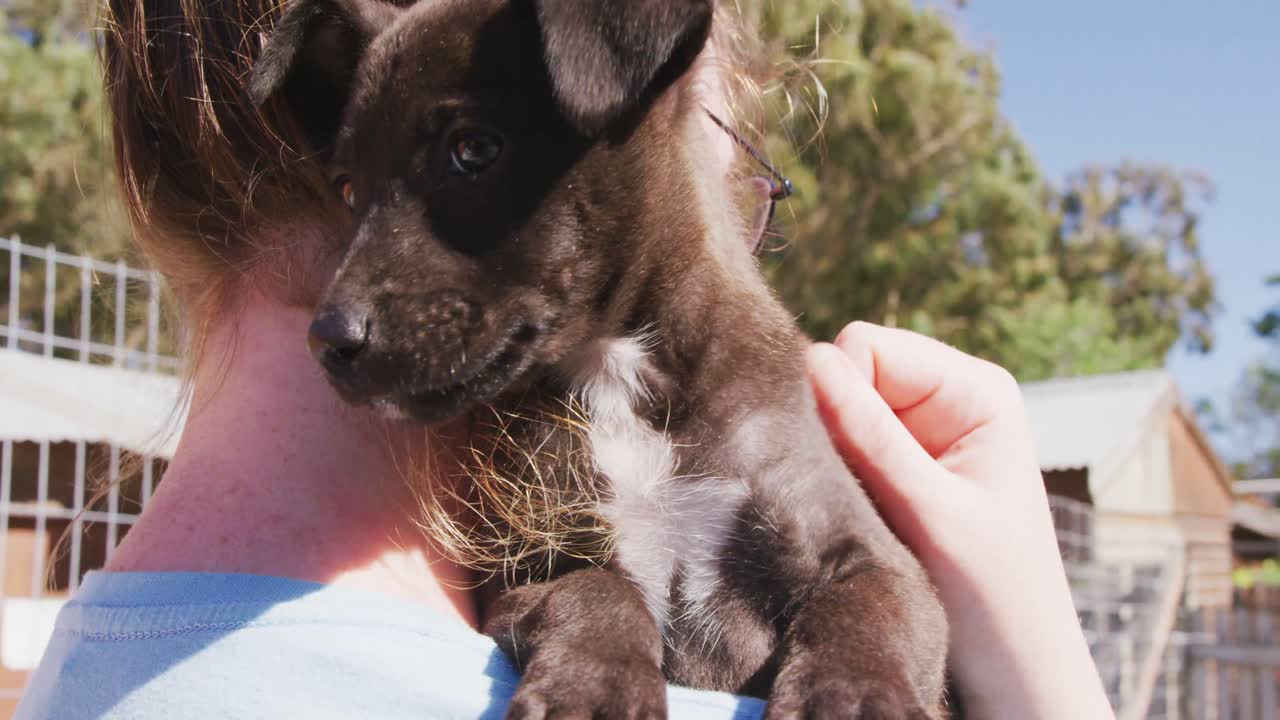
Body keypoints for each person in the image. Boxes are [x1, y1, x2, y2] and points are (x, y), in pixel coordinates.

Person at [17, 1, 1113, 718]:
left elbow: (857, 585)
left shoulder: (75, 677)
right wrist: (1049, 688)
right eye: (728, 152)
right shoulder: (532, 441)